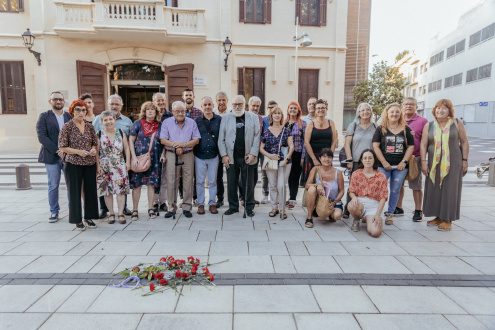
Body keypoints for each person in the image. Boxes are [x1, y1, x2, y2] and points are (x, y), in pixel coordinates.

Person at [421, 99, 470, 231]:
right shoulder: (429, 125)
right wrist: (423, 163)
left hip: (453, 161)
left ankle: (448, 219)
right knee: (435, 188)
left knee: (450, 189)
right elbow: (424, 144)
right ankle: (439, 216)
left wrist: (465, 160)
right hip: (434, 163)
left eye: (444, 108)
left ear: (449, 111)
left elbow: (464, 142)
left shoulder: (456, 123)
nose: (440, 110)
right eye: (438, 108)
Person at [58, 99, 98, 231]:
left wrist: (93, 149)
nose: (81, 112)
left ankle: (89, 217)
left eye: (83, 110)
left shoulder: (90, 126)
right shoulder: (67, 126)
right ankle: (77, 220)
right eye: (78, 110)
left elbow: (94, 142)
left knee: (90, 191)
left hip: (89, 163)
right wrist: (78, 152)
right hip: (73, 163)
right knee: (74, 192)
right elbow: (62, 147)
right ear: (72, 111)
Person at [372, 103, 414, 226]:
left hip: (400, 166)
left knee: (395, 189)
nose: (394, 114)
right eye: (392, 112)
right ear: (387, 114)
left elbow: (411, 146)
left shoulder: (406, 129)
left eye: (397, 112)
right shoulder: (380, 129)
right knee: (379, 188)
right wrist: (384, 162)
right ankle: (375, 212)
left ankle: (390, 213)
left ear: (400, 113)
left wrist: (404, 162)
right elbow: (375, 146)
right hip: (383, 165)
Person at [218, 95, 260, 217]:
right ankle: (233, 206)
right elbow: (221, 138)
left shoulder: (253, 117)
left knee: (249, 183)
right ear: (232, 105)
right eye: (235, 104)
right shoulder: (225, 118)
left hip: (248, 156)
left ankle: (249, 207)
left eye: (240, 104)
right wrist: (224, 155)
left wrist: (253, 153)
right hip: (231, 156)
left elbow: (257, 136)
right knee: (231, 182)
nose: (237, 107)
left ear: (244, 105)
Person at [93, 95, 133, 218]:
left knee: (121, 189)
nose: (108, 122)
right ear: (102, 122)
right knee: (106, 190)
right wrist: (97, 166)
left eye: (111, 119)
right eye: (105, 120)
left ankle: (121, 211)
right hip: (104, 165)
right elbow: (96, 149)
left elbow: (128, 146)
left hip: (119, 163)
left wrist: (128, 162)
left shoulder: (124, 126)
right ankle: (109, 212)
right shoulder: (98, 129)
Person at [160, 101, 200, 218]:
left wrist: (184, 144)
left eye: (183, 111)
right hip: (171, 154)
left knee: (188, 180)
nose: (180, 113)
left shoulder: (192, 122)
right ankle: (171, 207)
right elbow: (163, 139)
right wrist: (176, 145)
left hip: (188, 153)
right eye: (177, 111)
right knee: (172, 180)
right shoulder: (167, 122)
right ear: (173, 112)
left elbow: (197, 139)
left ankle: (187, 207)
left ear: (185, 112)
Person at [36, 91, 72, 222]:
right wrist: (58, 150)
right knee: (53, 185)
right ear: (50, 101)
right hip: (52, 157)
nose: (58, 101)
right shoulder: (44, 116)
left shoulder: (69, 116)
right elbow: (42, 137)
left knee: (71, 185)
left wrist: (68, 151)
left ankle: (72, 210)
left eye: (60, 99)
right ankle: (54, 211)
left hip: (68, 157)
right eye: (55, 99)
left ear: (63, 101)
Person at [395, 97, 428, 221]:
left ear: (416, 107)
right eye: (406, 104)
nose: (408, 106)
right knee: (399, 184)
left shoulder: (423, 121)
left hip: (415, 158)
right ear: (402, 107)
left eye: (411, 104)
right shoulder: (397, 119)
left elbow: (427, 141)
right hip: (399, 157)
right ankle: (398, 207)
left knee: (416, 185)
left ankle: (418, 210)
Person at [128, 101, 163, 220]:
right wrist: (133, 157)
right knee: (137, 185)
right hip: (138, 159)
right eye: (148, 109)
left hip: (155, 159)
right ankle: (135, 210)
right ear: (144, 111)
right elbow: (131, 141)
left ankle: (151, 208)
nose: (150, 111)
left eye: (152, 109)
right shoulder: (138, 123)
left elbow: (163, 143)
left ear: (156, 112)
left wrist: (163, 155)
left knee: (151, 185)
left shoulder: (160, 125)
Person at [342, 103, 376, 218]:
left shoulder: (375, 127)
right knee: (353, 185)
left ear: (371, 112)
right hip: (356, 160)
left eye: (367, 110)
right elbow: (347, 143)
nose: (365, 112)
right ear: (359, 113)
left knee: (368, 186)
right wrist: (349, 159)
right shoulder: (354, 125)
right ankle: (347, 209)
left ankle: (365, 209)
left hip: (370, 162)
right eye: (362, 110)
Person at [260, 106, 294, 218]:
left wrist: (286, 159)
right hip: (271, 162)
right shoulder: (266, 131)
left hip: (284, 162)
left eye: (279, 113)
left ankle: (282, 209)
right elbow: (261, 148)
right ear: (271, 116)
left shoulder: (286, 130)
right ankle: (274, 207)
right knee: (273, 186)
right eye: (275, 113)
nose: (277, 115)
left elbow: (292, 147)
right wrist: (269, 155)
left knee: (281, 185)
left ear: (281, 116)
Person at [347, 149, 389, 237]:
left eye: (370, 158)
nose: (367, 160)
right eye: (365, 158)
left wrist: (378, 214)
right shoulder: (356, 174)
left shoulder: (381, 176)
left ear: (374, 160)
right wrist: (354, 198)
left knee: (375, 232)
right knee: (352, 205)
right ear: (361, 160)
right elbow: (351, 190)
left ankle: (368, 218)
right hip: (359, 203)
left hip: (373, 205)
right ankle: (356, 219)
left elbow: (383, 197)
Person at [304, 148, 344, 228]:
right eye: (324, 157)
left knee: (337, 216)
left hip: (332, 202)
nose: (327, 159)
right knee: (312, 189)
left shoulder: (338, 172)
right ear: (320, 158)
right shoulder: (315, 169)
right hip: (319, 201)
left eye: (329, 157)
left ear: (332, 158)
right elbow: (307, 185)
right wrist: (317, 185)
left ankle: (329, 213)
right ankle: (309, 217)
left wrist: (334, 202)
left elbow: (342, 191)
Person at [194, 97, 221, 214]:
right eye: (205, 105)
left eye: (209, 104)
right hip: (199, 155)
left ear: (213, 105)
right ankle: (200, 204)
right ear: (202, 107)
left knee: (212, 181)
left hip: (214, 155)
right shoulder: (197, 120)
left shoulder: (219, 119)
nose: (207, 107)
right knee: (199, 181)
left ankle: (212, 203)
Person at [303, 99, 337, 184]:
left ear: (326, 109)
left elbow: (334, 140)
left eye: (323, 108)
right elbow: (306, 142)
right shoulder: (311, 124)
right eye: (318, 108)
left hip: (326, 158)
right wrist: (314, 159)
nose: (321, 110)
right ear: (315, 111)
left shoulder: (331, 123)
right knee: (312, 184)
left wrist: (329, 156)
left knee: (326, 182)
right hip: (313, 158)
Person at [153, 92, 173, 214]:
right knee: (154, 177)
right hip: (153, 151)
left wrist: (165, 151)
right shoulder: (150, 115)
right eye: (158, 100)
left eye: (162, 100)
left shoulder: (170, 115)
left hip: (166, 150)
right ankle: (155, 202)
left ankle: (163, 202)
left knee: (165, 178)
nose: (160, 103)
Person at [284, 102, 306, 209]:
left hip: (297, 153)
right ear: (288, 110)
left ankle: (292, 199)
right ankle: (288, 197)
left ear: (298, 111)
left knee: (295, 176)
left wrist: (303, 157)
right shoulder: (284, 123)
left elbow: (305, 141)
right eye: (291, 108)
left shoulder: (302, 123)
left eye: (295, 108)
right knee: (287, 175)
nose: (292, 110)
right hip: (286, 153)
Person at [213, 91, 231, 208]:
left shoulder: (231, 113)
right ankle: (220, 199)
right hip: (217, 149)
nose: (221, 102)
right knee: (218, 176)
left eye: (223, 100)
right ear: (216, 102)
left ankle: (236, 198)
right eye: (219, 100)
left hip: (230, 149)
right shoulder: (213, 114)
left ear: (227, 101)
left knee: (232, 175)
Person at [247, 96, 264, 205]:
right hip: (246, 151)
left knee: (254, 176)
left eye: (257, 106)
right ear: (249, 106)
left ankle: (251, 197)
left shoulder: (260, 118)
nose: (255, 108)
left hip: (256, 151)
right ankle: (243, 198)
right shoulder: (244, 116)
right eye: (253, 105)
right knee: (244, 176)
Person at [260, 100, 277, 203]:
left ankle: (274, 195)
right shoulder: (263, 120)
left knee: (275, 173)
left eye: (274, 107)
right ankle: (265, 194)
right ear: (267, 109)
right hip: (265, 151)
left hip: (275, 151)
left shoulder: (279, 119)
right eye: (270, 107)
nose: (272, 109)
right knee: (265, 174)